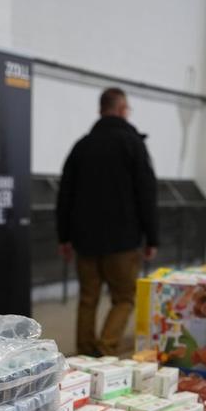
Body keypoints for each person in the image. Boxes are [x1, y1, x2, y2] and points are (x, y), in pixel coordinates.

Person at [56, 87, 158, 357]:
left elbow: (64, 194)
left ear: (101, 110)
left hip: (85, 240)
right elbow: (147, 193)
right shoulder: (133, 144)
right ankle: (106, 348)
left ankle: (84, 353)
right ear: (122, 109)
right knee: (124, 298)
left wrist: (63, 237)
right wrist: (152, 237)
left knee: (88, 298)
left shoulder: (82, 146)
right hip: (123, 241)